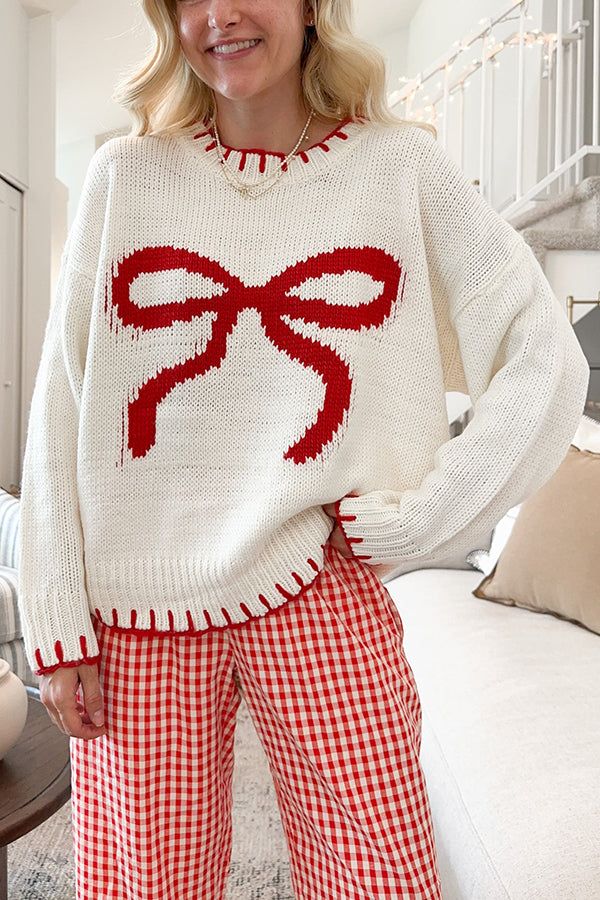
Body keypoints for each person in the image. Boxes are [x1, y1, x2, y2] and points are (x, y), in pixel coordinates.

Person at [16, 0, 589, 897]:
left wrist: (432, 514)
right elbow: (62, 401)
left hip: (323, 576)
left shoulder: (399, 168)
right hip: (141, 601)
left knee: (380, 872)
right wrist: (55, 616)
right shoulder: (123, 177)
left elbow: (541, 350)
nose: (220, 16)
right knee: (144, 885)